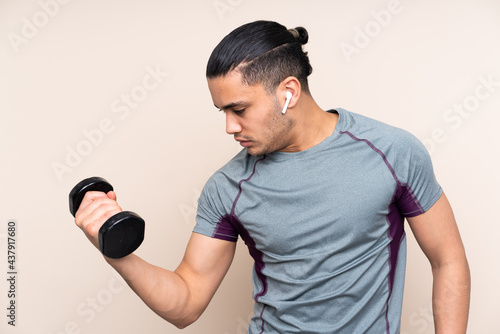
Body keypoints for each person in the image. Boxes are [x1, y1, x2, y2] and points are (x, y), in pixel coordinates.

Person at [74, 20, 471, 333]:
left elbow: (448, 259)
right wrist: (116, 252)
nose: (230, 127)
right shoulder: (226, 187)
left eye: (239, 109)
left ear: (289, 92)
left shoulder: (391, 151)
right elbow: (186, 304)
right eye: (222, 113)